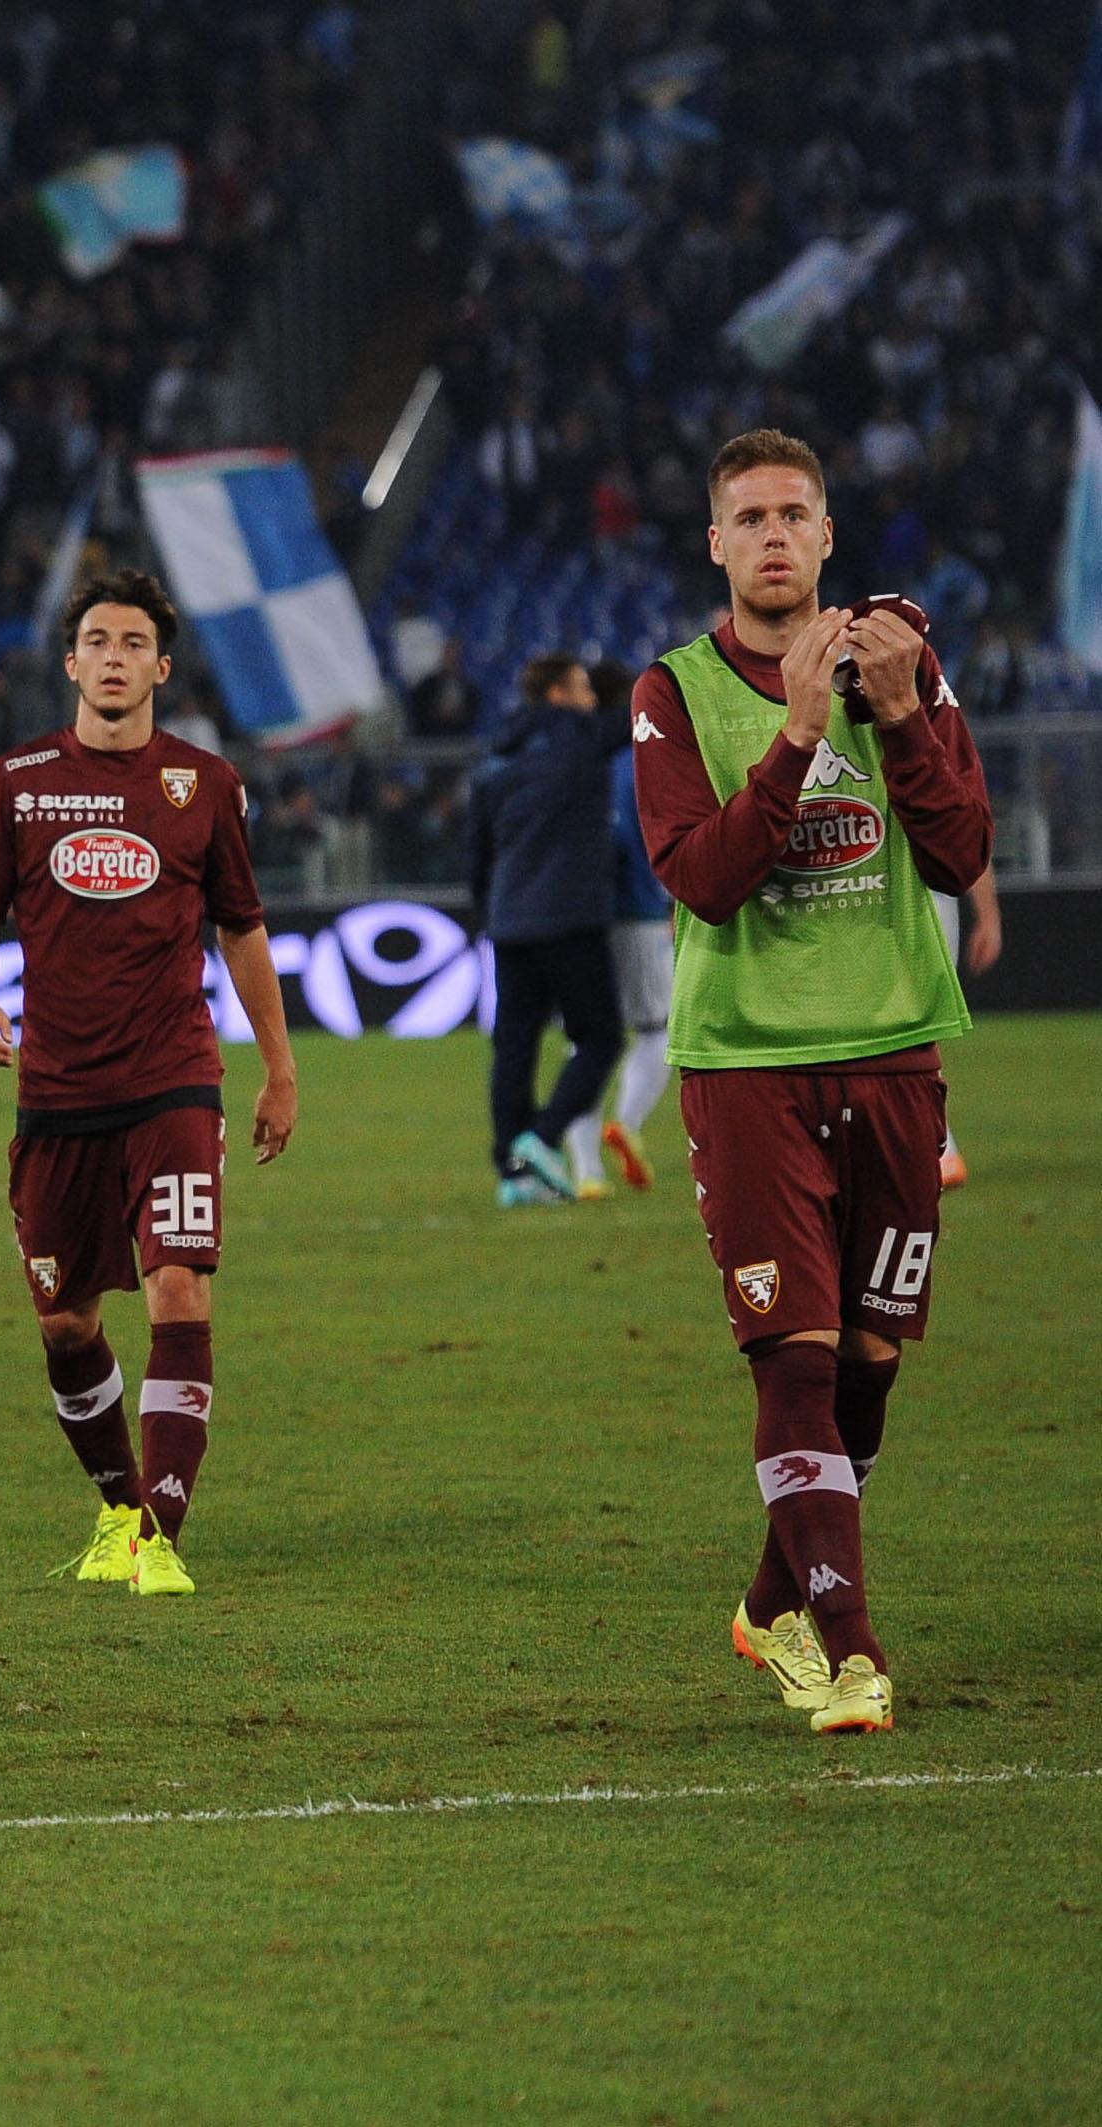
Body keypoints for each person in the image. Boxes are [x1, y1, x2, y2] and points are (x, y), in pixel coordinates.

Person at [630, 428, 991, 1738]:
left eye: (793, 514)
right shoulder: (671, 693)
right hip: (746, 1067)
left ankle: (768, 1604)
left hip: (891, 1052)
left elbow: (957, 852)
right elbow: (701, 877)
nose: (772, 535)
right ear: (714, 545)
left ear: (826, 537)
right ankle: (850, 1654)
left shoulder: (901, 665)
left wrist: (896, 717)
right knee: (791, 1356)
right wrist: (791, 736)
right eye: (748, 518)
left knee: (866, 1363)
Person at [0, 570, 300, 1597]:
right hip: (57, 1090)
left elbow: (241, 929)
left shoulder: (203, 784)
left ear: (160, 667)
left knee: (177, 1286)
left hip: (172, 1077)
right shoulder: (13, 782)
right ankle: (116, 1506)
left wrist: (278, 1067)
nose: (112, 657)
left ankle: (159, 1536)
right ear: (70, 663)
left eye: (132, 642)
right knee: (65, 1322)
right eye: (96, 641)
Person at [468, 655, 628, 1205]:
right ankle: (541, 1138)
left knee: (513, 1048)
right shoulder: (581, 736)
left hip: (510, 921)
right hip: (571, 917)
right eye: (583, 688)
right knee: (601, 1038)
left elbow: (477, 856)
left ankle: (512, 1173)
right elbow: (642, 715)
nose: (592, 699)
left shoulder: (495, 757)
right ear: (558, 694)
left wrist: (491, 914)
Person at [570, 728, 678, 1198]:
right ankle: (627, 1122)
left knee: (584, 1043)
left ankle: (586, 1171)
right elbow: (664, 834)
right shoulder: (640, 762)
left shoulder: (573, 761)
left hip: (578, 918)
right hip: (639, 912)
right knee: (656, 1029)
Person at [930, 868, 1000, 1190]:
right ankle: (940, 1148)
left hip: (928, 901)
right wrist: (989, 918)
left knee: (919, 1029)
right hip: (881, 901)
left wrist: (989, 918)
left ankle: (942, 1149)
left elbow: (970, 846)